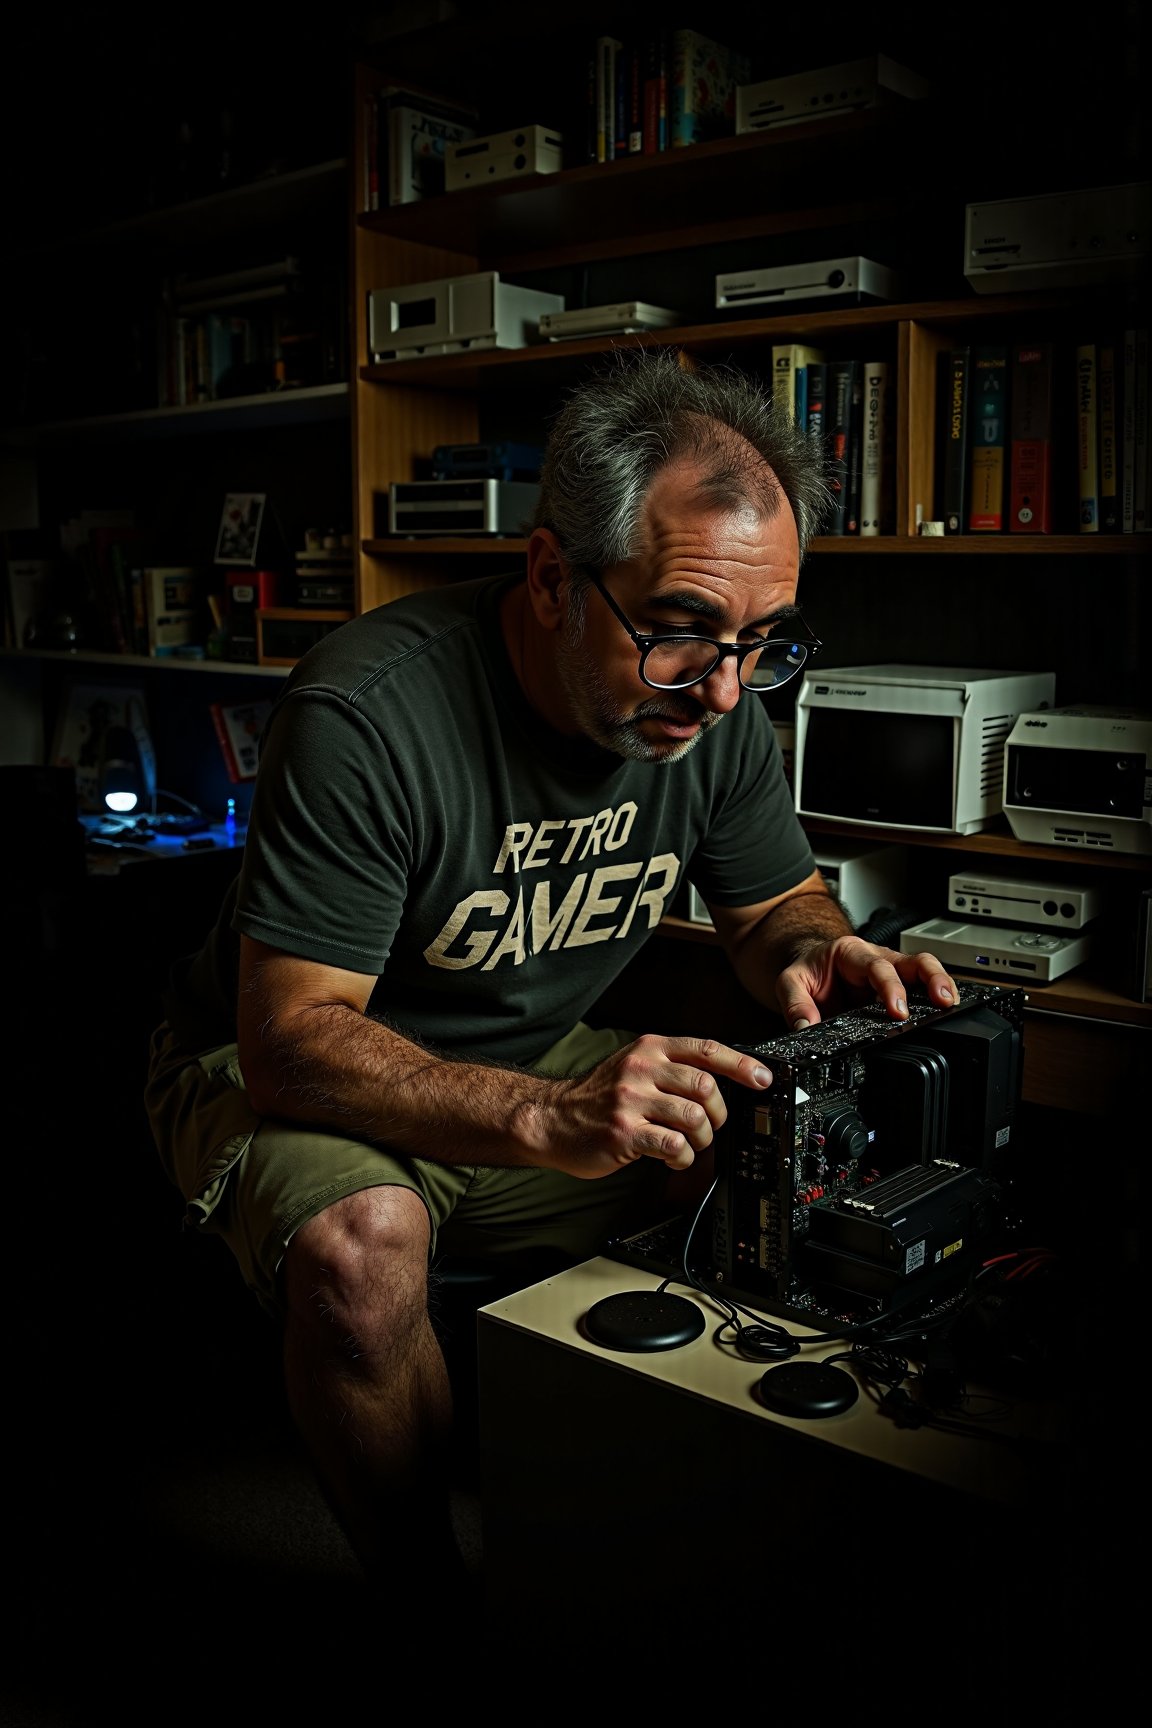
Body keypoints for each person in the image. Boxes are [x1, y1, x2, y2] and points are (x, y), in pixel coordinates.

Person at [144, 345, 957, 1603]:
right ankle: (430, 1613)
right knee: (367, 1249)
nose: (727, 687)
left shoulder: (716, 708)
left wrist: (815, 949)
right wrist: (544, 1115)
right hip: (295, 1074)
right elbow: (291, 1040)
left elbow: (774, 906)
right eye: (680, 633)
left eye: (763, 643)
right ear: (548, 575)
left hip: (525, 1060)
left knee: (783, 1148)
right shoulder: (369, 710)